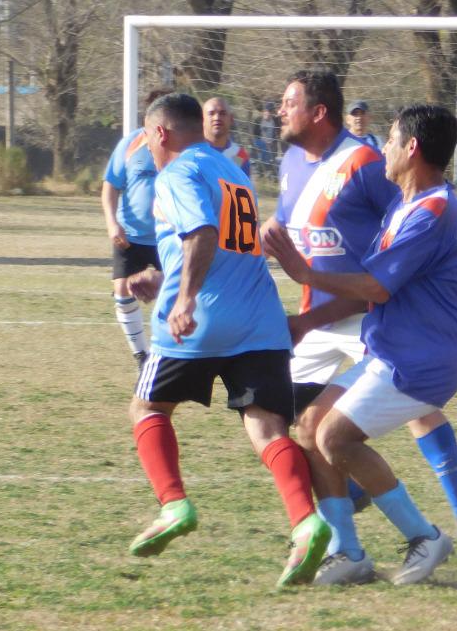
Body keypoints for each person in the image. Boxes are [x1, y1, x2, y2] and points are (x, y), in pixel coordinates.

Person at [261, 68, 457, 583]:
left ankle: (425, 537)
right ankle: (349, 553)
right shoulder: (409, 203)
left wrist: (303, 272)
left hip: (419, 359)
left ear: (410, 149)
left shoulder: (430, 212)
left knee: (336, 438)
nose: (380, 148)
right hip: (389, 350)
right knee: (311, 428)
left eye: (387, 141)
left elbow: (376, 287)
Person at [123, 93, 331, 587]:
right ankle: (306, 523)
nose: (148, 147)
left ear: (162, 134)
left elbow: (201, 234)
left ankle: (174, 506)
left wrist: (184, 299)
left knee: (147, 410)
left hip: (201, 324)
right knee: (267, 430)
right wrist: (164, 277)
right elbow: (217, 241)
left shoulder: (175, 172)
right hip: (260, 322)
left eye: (147, 137)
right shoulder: (231, 170)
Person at [100, 88, 167, 371]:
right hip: (131, 235)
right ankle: (142, 356)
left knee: (176, 290)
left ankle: (169, 350)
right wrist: (112, 222)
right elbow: (110, 186)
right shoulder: (130, 145)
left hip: (168, 235)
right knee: (122, 290)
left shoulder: (180, 148)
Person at [202, 96, 251, 178]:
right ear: (202, 119)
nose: (217, 118)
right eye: (211, 113)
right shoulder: (191, 151)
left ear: (231, 119)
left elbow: (242, 189)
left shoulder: (238, 155)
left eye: (222, 113)